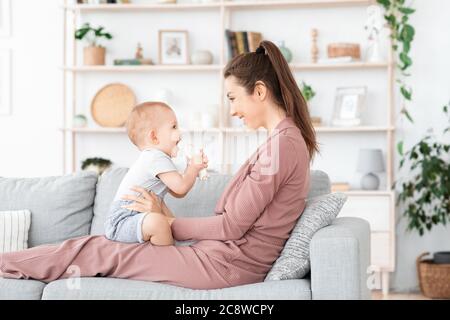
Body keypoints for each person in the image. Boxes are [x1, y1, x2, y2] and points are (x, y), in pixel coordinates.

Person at [0, 40, 319, 290]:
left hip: (226, 266)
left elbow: (231, 227)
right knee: (97, 246)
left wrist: (166, 222)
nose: (232, 110)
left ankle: (5, 264)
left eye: (233, 98)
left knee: (98, 249)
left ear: (259, 91)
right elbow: (235, 223)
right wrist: (164, 219)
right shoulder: (282, 143)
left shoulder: (282, 147)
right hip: (220, 256)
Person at [104, 102, 208, 246]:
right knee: (158, 223)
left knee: (161, 222)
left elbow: (178, 192)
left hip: (136, 216)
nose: (180, 133)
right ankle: (168, 259)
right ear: (154, 137)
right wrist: (193, 168)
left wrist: (190, 170)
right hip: (123, 220)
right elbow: (181, 187)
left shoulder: (159, 160)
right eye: (174, 127)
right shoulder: (155, 157)